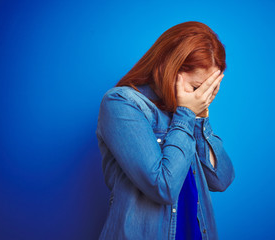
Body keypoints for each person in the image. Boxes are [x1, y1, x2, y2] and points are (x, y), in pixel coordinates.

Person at [95, 21, 235, 240]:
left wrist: (200, 115)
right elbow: (164, 187)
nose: (201, 97)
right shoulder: (121, 103)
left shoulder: (185, 112)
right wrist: (187, 114)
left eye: (208, 91)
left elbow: (221, 179)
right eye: (197, 88)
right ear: (169, 68)